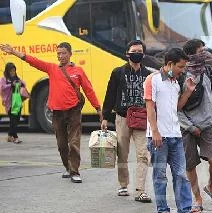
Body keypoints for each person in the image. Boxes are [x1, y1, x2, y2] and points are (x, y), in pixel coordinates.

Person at [0, 43, 102, 183]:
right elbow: (33, 60)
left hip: (73, 112)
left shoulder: (78, 71)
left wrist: (98, 108)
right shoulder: (51, 68)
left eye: (63, 53)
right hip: (57, 113)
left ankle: (74, 171)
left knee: (73, 142)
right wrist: (13, 51)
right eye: (58, 53)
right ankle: (67, 167)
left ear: (70, 54)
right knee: (61, 144)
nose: (60, 56)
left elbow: (88, 90)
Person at [144, 48, 203, 213]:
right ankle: (163, 210)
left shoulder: (175, 83)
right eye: (180, 67)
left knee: (181, 175)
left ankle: (184, 210)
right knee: (160, 176)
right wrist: (155, 131)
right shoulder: (152, 80)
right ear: (169, 64)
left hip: (176, 136)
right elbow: (150, 108)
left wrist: (188, 91)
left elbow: (176, 108)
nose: (182, 70)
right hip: (158, 137)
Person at [179, 39, 212, 212]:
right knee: (190, 165)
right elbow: (175, 107)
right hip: (186, 126)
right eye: (200, 51)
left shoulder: (209, 70)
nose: (205, 53)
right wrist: (189, 126)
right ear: (190, 55)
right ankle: (197, 199)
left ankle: (211, 186)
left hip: (208, 123)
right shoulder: (180, 74)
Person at [101, 40, 152, 201]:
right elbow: (110, 94)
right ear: (127, 53)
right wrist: (105, 117)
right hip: (122, 118)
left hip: (142, 119)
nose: (137, 53)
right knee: (122, 154)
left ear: (143, 54)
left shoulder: (148, 74)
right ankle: (123, 185)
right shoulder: (118, 72)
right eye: (134, 51)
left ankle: (140, 190)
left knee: (143, 154)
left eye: (140, 51)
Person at [0, 62, 26, 144]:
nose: (12, 72)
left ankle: (9, 136)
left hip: (17, 102)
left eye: (14, 71)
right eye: (11, 71)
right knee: (13, 120)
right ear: (7, 71)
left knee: (17, 119)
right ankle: (15, 137)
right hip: (9, 103)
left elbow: (23, 84)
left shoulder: (16, 78)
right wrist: (11, 84)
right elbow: (2, 88)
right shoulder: (3, 79)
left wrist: (20, 83)